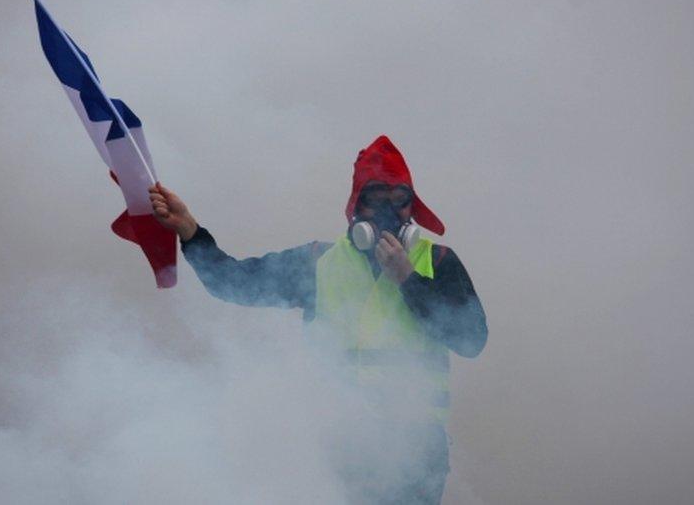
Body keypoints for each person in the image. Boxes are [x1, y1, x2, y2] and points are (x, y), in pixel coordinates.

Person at [149, 135, 487, 504]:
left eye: (399, 199)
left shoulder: (436, 262)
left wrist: (408, 279)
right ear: (356, 207)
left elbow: (471, 340)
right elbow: (233, 283)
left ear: (412, 208)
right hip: (342, 448)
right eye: (375, 198)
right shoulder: (317, 263)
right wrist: (190, 231)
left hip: (416, 452)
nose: (389, 211)